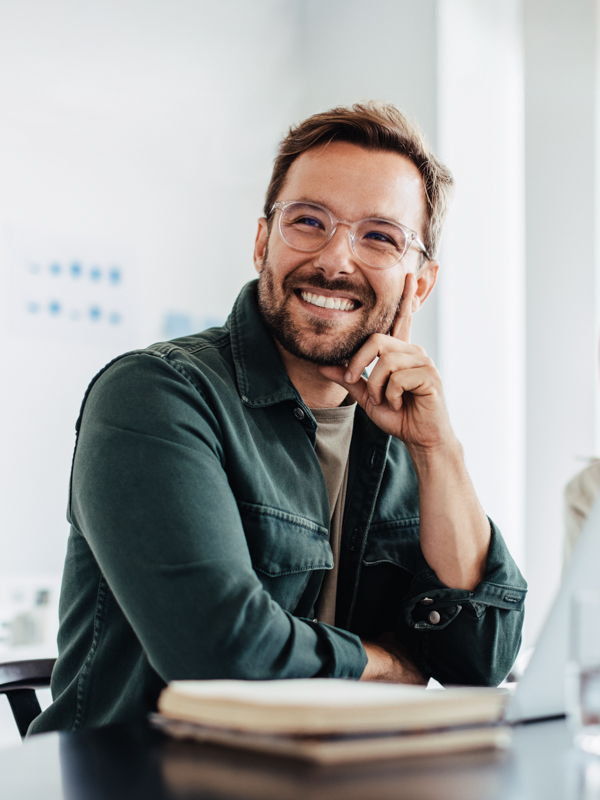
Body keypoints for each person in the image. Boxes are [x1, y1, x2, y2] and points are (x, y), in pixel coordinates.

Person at [31, 102, 526, 734]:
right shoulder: (154, 395)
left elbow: (479, 660)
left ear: (419, 283)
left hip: (335, 776)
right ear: (264, 240)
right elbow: (220, 652)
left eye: (379, 236)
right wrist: (387, 665)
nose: (336, 260)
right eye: (309, 222)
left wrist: (438, 451)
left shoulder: (406, 430)